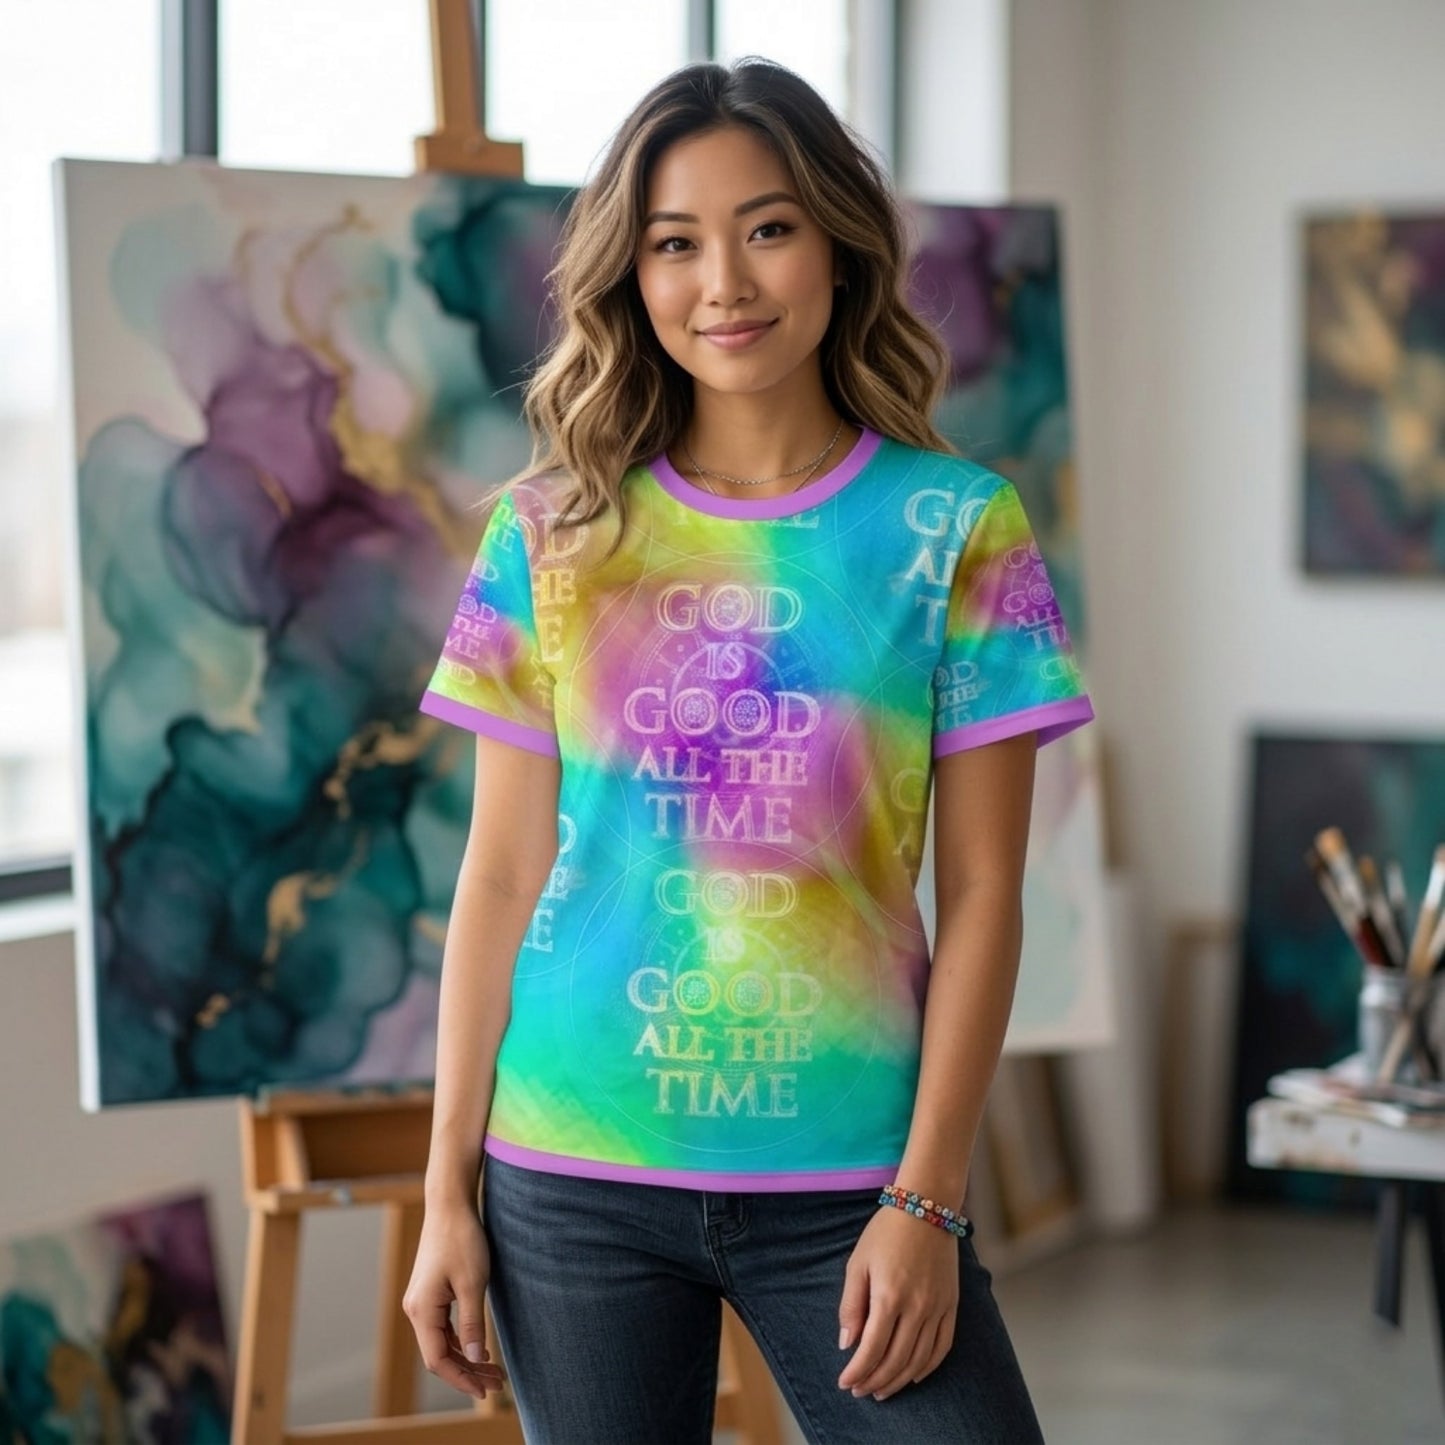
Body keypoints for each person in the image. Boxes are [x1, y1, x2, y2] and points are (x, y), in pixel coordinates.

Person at [403, 56, 1094, 1445]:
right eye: (674, 243)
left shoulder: (959, 527)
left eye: (767, 227)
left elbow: (981, 893)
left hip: (855, 1176)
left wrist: (928, 1196)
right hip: (571, 1169)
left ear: (837, 245)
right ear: (631, 272)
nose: (722, 282)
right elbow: (501, 875)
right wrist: (442, 1195)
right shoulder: (549, 532)